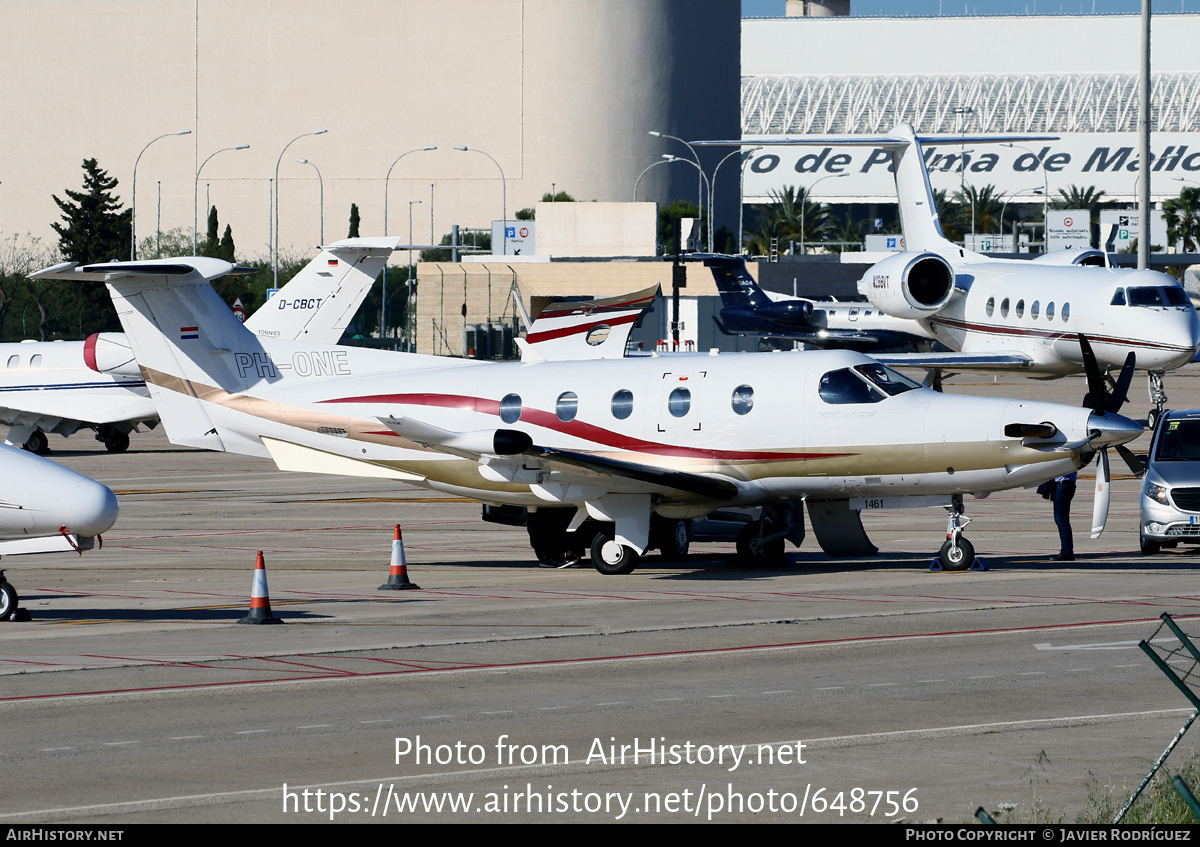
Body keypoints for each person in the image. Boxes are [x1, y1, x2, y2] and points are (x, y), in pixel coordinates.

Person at [1038, 472, 1077, 561]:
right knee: (1061, 520)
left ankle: (1067, 552)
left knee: (1061, 520)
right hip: (1063, 485)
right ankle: (1067, 551)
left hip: (1063, 485)